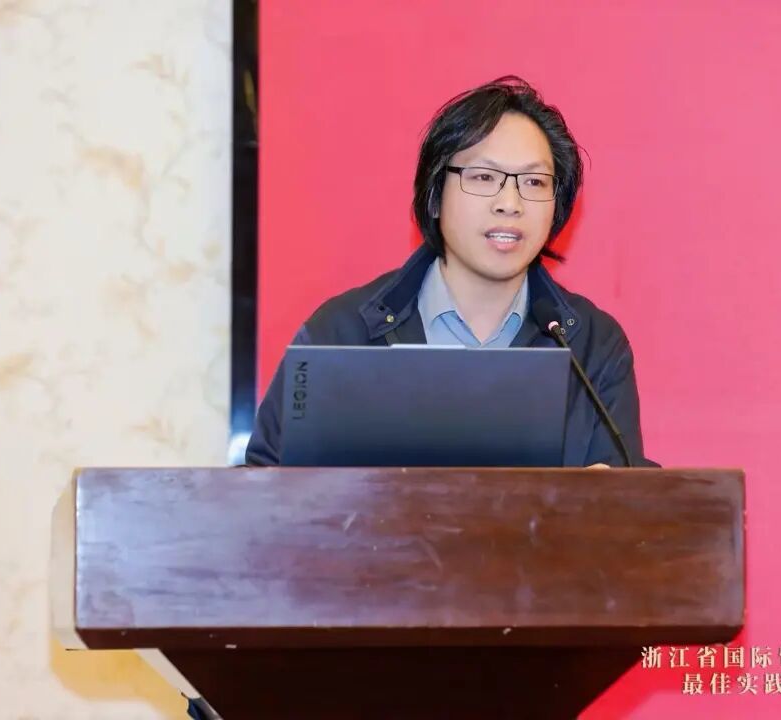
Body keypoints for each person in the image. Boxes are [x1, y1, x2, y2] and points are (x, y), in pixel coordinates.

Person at [245, 75, 657, 468]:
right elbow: (265, 489)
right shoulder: (341, 333)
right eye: (484, 177)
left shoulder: (592, 346)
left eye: (534, 182)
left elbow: (628, 497)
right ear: (435, 195)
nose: (510, 203)